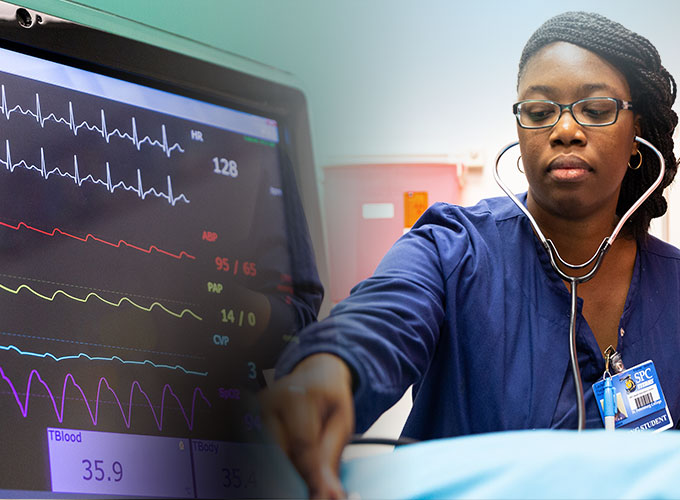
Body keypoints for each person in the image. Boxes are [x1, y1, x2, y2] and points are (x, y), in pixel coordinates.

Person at [264, 12, 680, 499]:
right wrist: (330, 365)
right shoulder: (452, 248)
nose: (565, 130)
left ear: (636, 138)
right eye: (541, 112)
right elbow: (383, 316)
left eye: (595, 109)